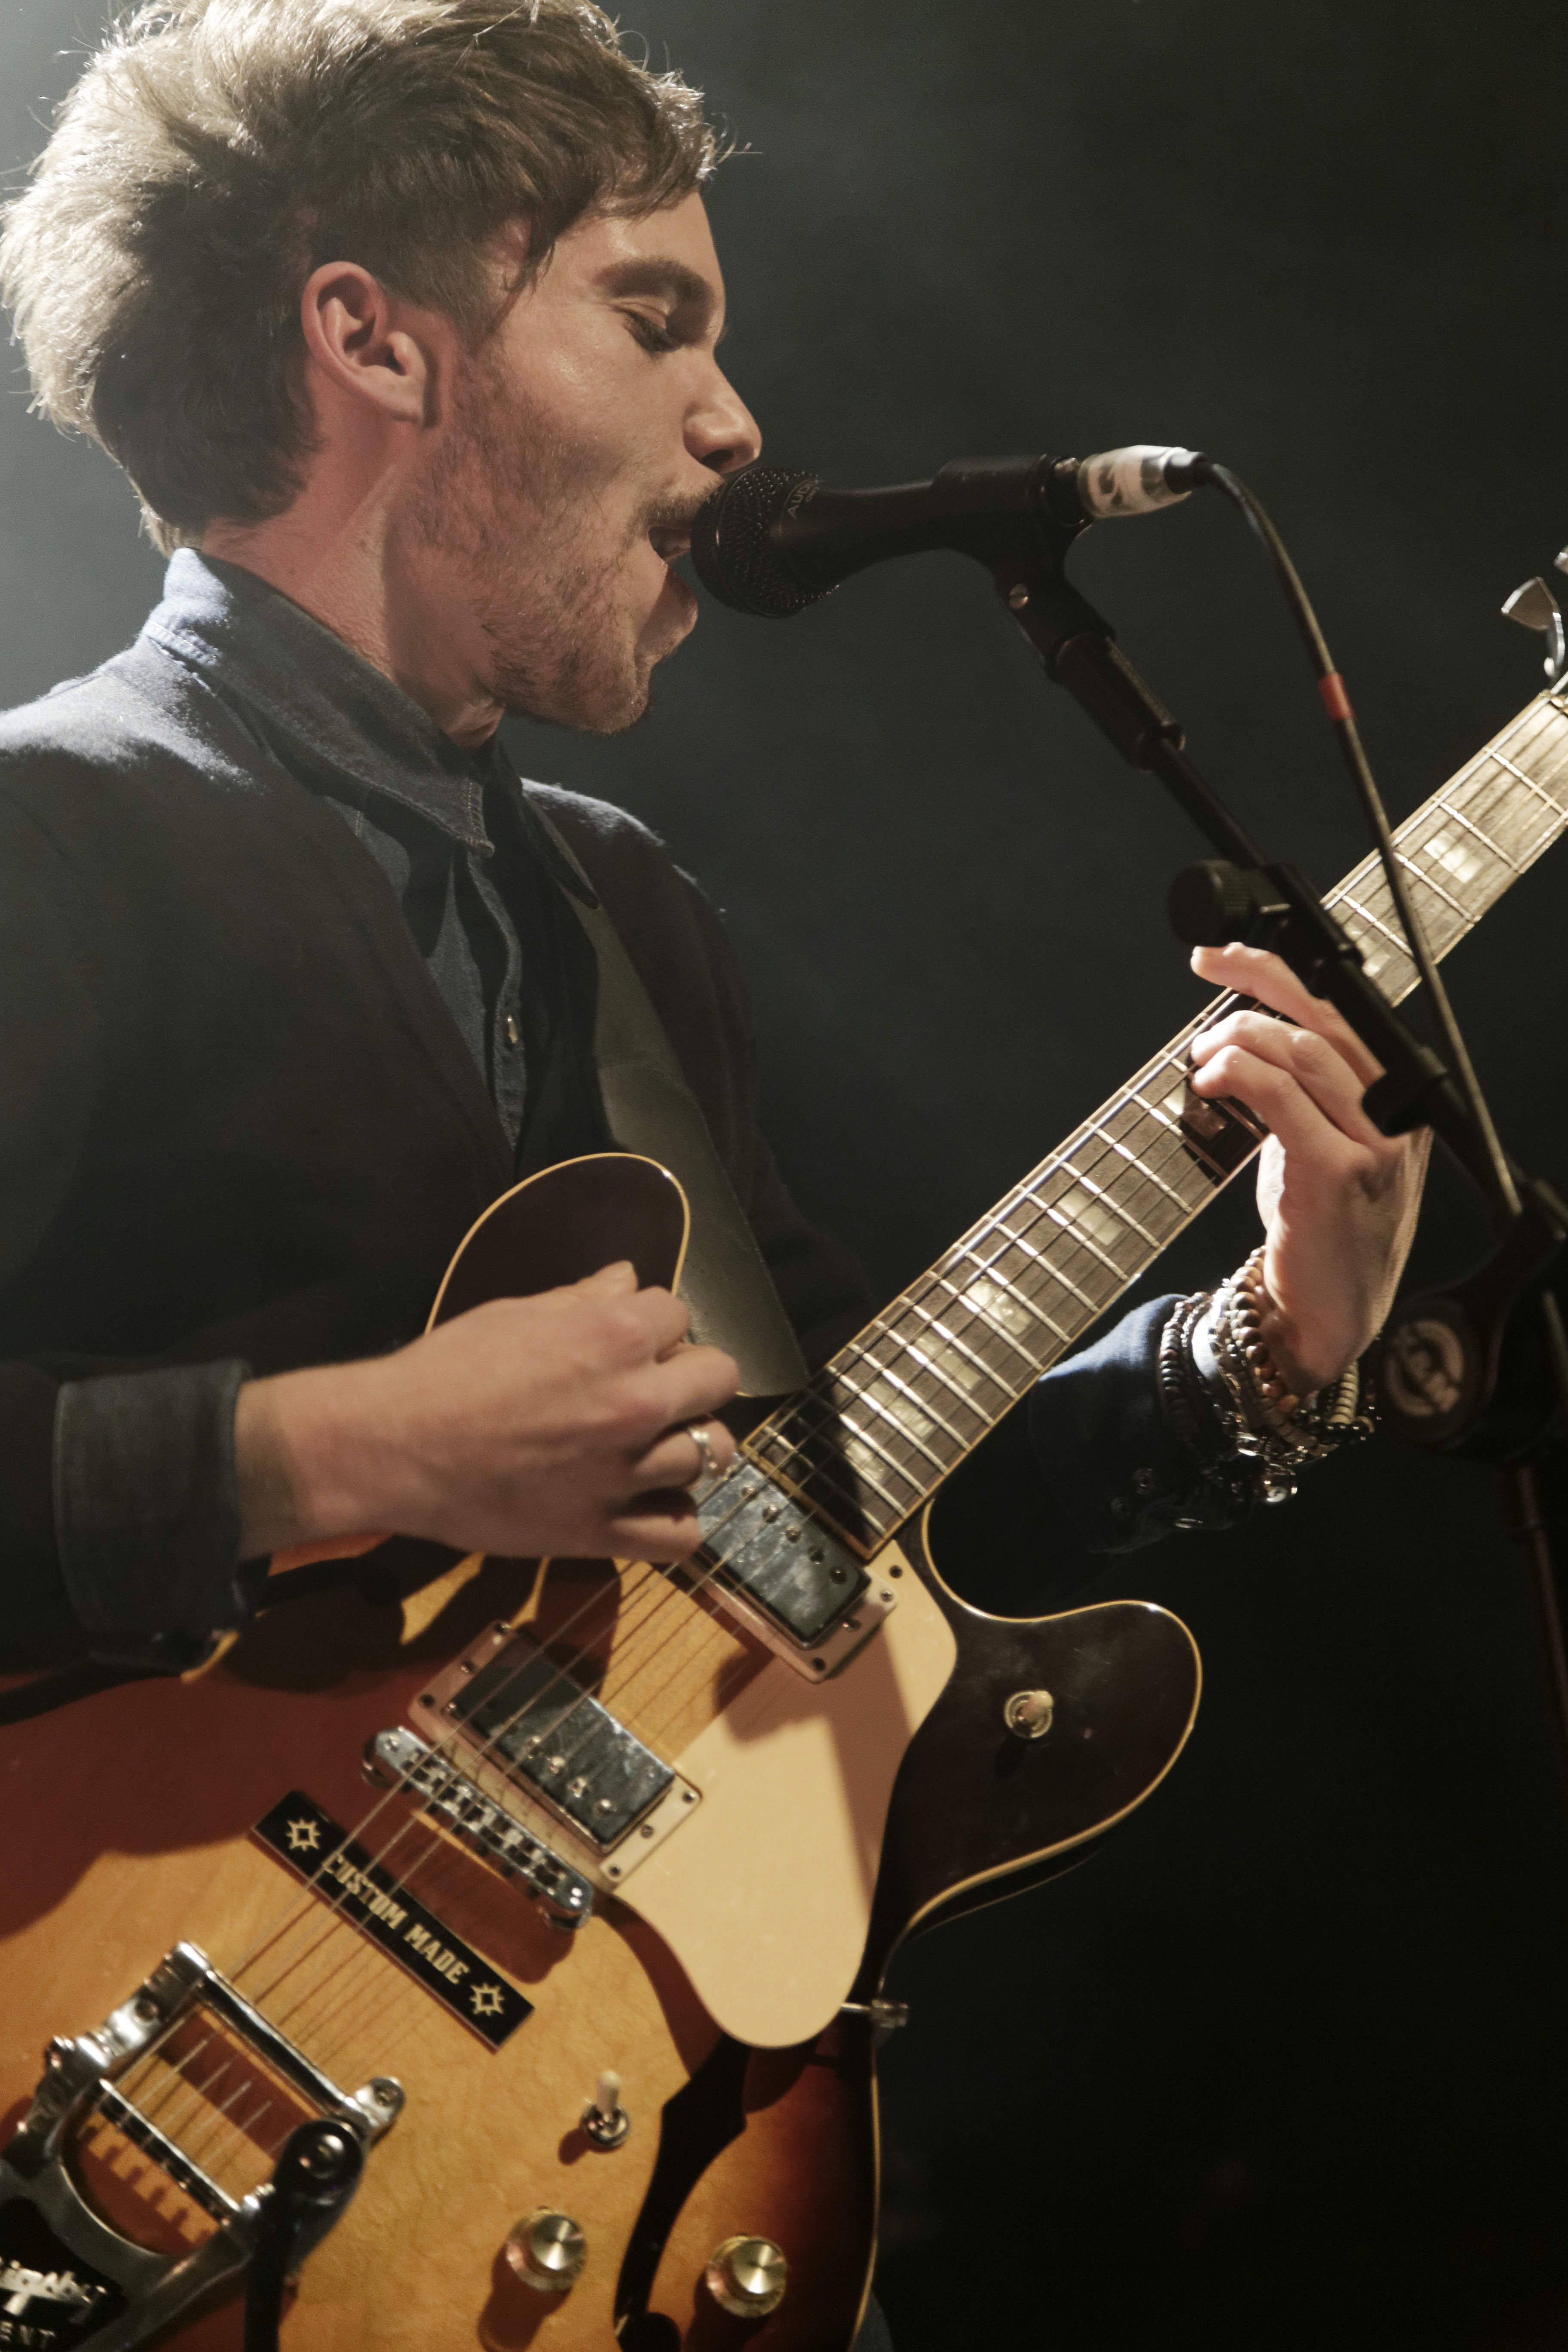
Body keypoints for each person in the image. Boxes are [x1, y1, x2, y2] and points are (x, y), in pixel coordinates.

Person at [0, 0, 1425, 2338]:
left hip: (548, 2149)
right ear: (372, 338)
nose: (739, 420)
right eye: (653, 316)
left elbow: (815, 1522)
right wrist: (333, 1448)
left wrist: (1254, 1348)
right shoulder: (54, 835)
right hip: (116, 2052)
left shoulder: (622, 905)